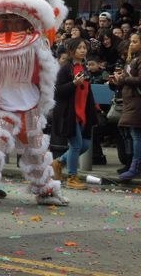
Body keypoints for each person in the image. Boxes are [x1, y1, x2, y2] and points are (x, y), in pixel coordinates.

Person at [51, 38, 97, 190]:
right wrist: (73, 84)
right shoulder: (65, 69)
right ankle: (72, 177)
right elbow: (57, 91)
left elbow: (87, 91)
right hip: (68, 113)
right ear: (71, 51)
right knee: (76, 144)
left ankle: (58, 162)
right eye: (79, 48)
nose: (83, 50)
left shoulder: (83, 68)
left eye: (84, 47)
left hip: (82, 111)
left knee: (85, 144)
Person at [111, 32, 141, 181]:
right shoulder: (133, 60)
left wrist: (124, 79)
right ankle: (134, 166)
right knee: (132, 134)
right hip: (130, 102)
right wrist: (117, 80)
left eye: (135, 41)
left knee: (137, 135)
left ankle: (136, 167)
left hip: (138, 102)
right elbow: (127, 79)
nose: (131, 44)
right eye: (131, 41)